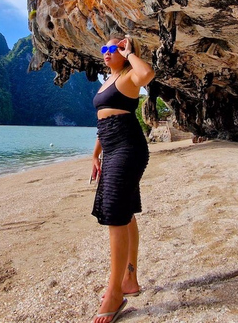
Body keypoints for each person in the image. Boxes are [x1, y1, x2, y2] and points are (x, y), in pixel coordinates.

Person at [90, 34, 155, 323]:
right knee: (125, 214)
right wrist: (95, 154)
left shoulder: (130, 76)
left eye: (114, 48)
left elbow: (147, 74)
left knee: (116, 215)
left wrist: (129, 53)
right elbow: (103, 120)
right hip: (111, 147)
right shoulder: (107, 80)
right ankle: (130, 279)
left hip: (129, 148)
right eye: (104, 48)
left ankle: (114, 293)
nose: (107, 52)